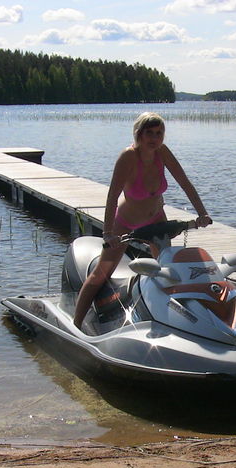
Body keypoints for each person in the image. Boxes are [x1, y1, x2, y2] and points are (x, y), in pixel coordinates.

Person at [73, 112, 212, 328]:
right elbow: (112, 196)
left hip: (156, 220)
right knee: (101, 273)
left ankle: (172, 321)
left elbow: (185, 182)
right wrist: (108, 233)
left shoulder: (162, 153)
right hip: (125, 223)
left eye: (159, 133)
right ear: (139, 134)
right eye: (150, 133)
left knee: (167, 272)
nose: (155, 138)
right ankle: (76, 324)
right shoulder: (128, 157)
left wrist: (202, 213)